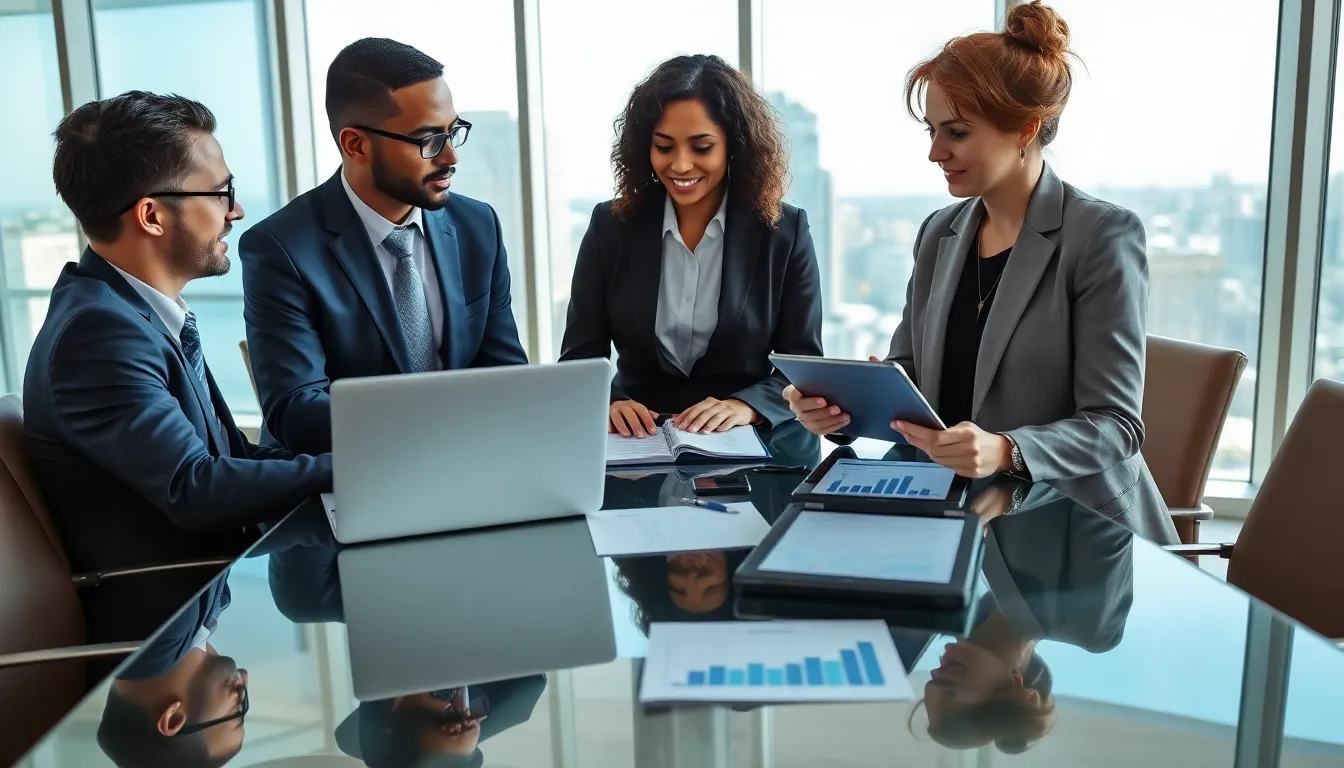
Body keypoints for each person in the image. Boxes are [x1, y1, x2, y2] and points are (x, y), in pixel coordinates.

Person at [784, 2, 1177, 542]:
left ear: (1024, 128)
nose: (935, 153)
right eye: (931, 131)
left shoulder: (1100, 236)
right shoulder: (939, 234)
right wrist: (843, 410)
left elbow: (1116, 428)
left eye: (957, 133)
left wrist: (1007, 449)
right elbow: (912, 375)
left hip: (1070, 533)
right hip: (953, 513)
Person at [26, 91, 332, 648]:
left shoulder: (135, 312)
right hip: (158, 632)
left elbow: (231, 459)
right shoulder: (97, 334)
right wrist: (363, 465)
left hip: (202, 599)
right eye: (221, 194)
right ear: (151, 215)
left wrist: (349, 470)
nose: (235, 212)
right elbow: (196, 489)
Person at [241, 38, 527, 457]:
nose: (450, 156)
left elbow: (505, 374)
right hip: (350, 476)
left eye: (453, 132)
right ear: (355, 144)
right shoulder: (280, 249)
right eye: (429, 140)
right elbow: (297, 413)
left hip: (472, 461)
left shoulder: (477, 225)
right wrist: (444, 425)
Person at [560, 54, 823, 438]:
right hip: (636, 438)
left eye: (701, 147)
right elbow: (580, 356)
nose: (680, 165)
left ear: (734, 146)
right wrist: (609, 402)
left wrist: (747, 405)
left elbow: (803, 364)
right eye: (664, 147)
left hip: (748, 441)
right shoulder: (611, 226)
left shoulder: (784, 231)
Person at [96, 570, 246, 767]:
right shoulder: (190, 626)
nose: (243, 688)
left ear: (173, 719)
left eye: (237, 715)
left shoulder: (154, 643)